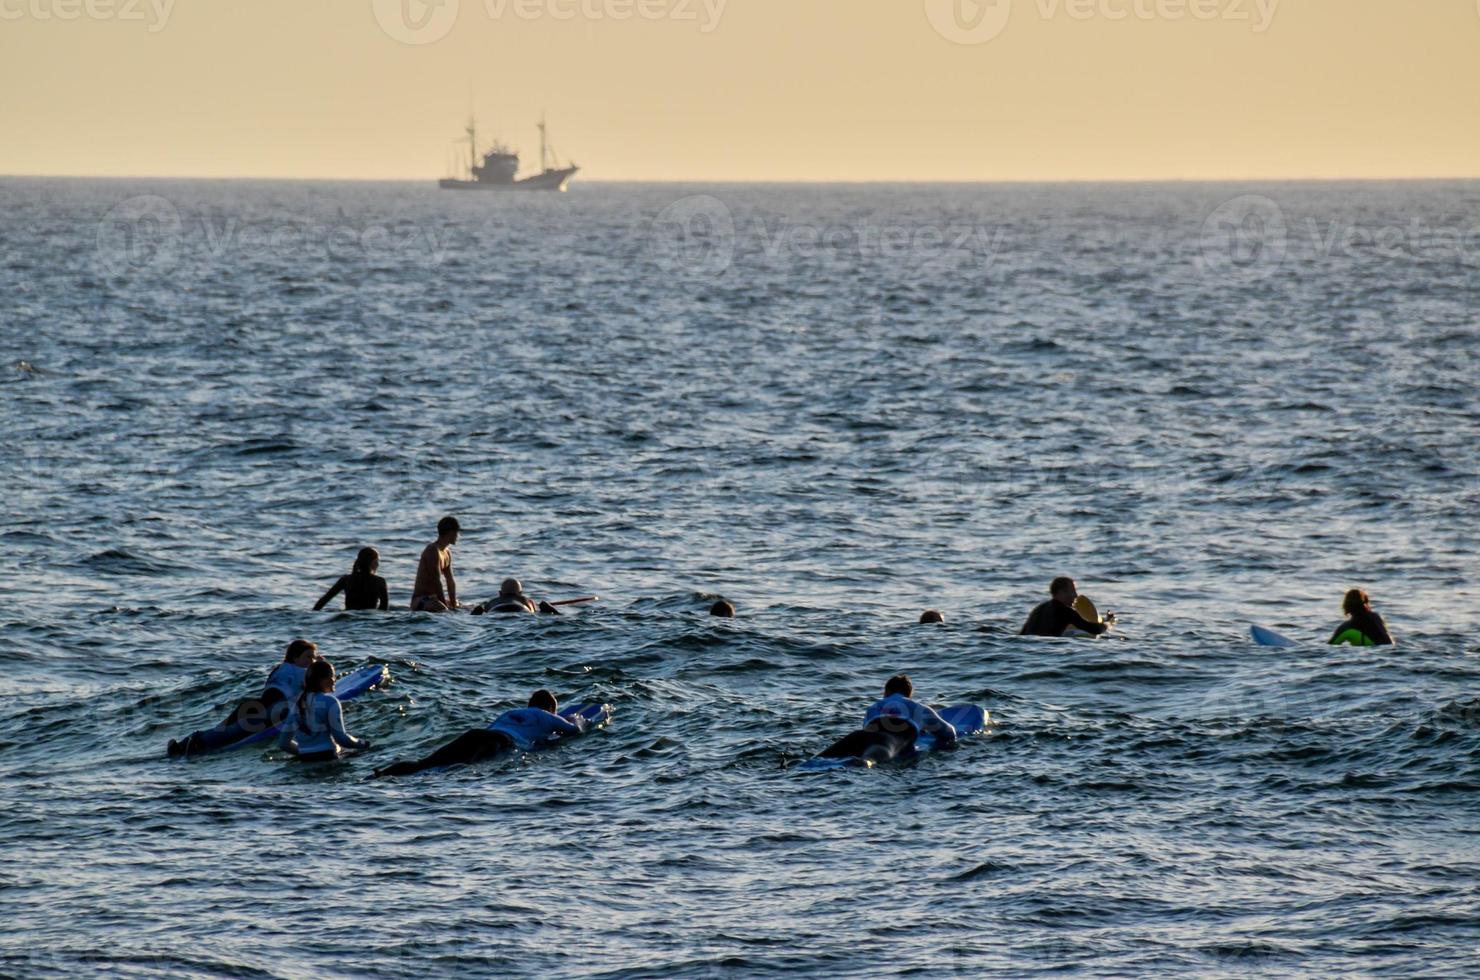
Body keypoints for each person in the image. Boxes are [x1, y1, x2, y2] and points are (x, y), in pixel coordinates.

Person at [374, 689, 589, 778]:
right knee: (458, 768)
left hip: (477, 734)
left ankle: (381, 775)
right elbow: (573, 730)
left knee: (424, 763)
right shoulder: (546, 715)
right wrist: (576, 719)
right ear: (550, 709)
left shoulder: (511, 712)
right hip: (501, 742)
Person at [168, 640, 319, 756]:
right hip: (272, 708)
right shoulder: (300, 671)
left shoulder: (279, 668)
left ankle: (185, 743)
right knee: (232, 731)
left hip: (256, 704)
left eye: (313, 657)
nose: (312, 661)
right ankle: (192, 744)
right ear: (295, 657)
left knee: (225, 728)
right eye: (308, 657)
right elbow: (316, 682)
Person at [816, 674, 956, 764]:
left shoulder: (874, 707)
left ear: (887, 692)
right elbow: (949, 733)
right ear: (909, 695)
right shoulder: (919, 708)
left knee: (821, 759)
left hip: (861, 735)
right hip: (895, 737)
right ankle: (866, 762)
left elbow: (868, 731)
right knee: (869, 759)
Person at [278, 659, 369, 761]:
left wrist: (304, 751)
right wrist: (364, 744)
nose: (334, 680)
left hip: (305, 761)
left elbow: (283, 744)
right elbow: (342, 739)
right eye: (332, 676)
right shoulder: (330, 702)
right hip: (328, 757)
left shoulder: (295, 705)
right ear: (322, 680)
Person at [1020, 577, 1115, 637]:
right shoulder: (1065, 612)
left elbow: (1021, 635)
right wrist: (1108, 623)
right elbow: (1095, 630)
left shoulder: (1038, 609)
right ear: (1061, 592)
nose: (1076, 596)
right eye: (1073, 591)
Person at [314, 547, 389, 611]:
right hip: (370, 619)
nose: (378, 564)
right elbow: (384, 608)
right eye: (377, 561)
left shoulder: (346, 579)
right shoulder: (379, 581)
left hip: (348, 618)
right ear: (372, 562)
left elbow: (323, 601)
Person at [410, 516, 460, 612]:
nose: (458, 536)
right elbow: (436, 581)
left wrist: (453, 605)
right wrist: (445, 606)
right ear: (451, 533)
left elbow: (450, 582)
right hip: (420, 599)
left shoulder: (447, 553)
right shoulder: (432, 550)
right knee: (442, 608)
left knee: (458, 605)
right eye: (457, 533)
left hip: (433, 598)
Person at [471, 578, 559, 616]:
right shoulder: (526, 600)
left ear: (500, 594)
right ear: (520, 593)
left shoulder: (491, 602)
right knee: (543, 604)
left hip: (496, 609)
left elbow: (484, 609)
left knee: (479, 609)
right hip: (520, 609)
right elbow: (534, 612)